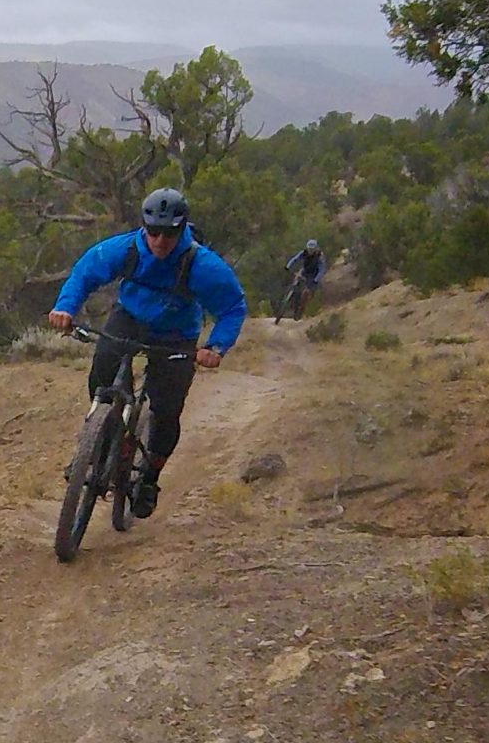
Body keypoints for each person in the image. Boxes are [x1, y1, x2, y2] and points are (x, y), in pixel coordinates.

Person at [46, 187, 247, 517]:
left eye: (169, 233)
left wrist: (216, 346)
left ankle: (150, 477)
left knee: (167, 411)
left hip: (176, 333)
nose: (160, 240)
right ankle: (99, 441)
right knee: (103, 375)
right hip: (130, 318)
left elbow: (233, 306)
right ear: (143, 226)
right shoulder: (126, 248)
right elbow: (84, 272)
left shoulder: (202, 266)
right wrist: (65, 308)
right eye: (153, 231)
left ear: (182, 229)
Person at [279, 238, 326, 320]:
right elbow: (295, 259)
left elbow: (322, 269)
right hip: (304, 271)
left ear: (315, 249)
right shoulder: (303, 253)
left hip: (313, 275)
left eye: (312, 249)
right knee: (295, 283)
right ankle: (290, 298)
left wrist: (316, 280)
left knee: (306, 292)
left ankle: (302, 309)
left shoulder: (319, 256)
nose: (310, 251)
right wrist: (288, 266)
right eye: (309, 249)